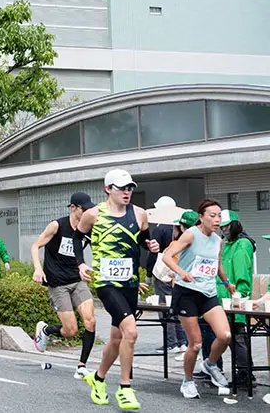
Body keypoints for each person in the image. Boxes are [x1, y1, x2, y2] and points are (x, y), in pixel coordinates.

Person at [74, 169, 160, 411]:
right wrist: (80, 263)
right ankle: (125, 388)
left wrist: (152, 245)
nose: (127, 192)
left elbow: (146, 239)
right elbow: (76, 239)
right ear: (107, 189)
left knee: (116, 338)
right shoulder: (93, 215)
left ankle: (98, 379)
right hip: (106, 282)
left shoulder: (140, 214)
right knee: (130, 332)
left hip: (130, 283)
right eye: (121, 188)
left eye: (130, 188)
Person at [161, 201, 233, 398]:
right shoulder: (191, 233)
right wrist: (181, 273)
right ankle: (188, 381)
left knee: (225, 335)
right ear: (201, 217)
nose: (217, 219)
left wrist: (227, 283)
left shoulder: (218, 240)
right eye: (212, 215)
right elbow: (167, 256)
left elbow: (216, 265)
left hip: (208, 293)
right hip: (187, 293)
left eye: (219, 215)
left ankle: (209, 364)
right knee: (196, 344)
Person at [30, 192, 98, 379]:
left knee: (90, 321)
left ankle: (82, 366)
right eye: (84, 209)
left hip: (77, 281)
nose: (87, 213)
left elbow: (100, 251)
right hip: (58, 283)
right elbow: (35, 246)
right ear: (73, 208)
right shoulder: (57, 225)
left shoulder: (88, 228)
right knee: (70, 330)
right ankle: (46, 330)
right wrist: (38, 269)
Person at [216, 209, 255, 387]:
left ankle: (245, 373)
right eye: (222, 226)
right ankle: (244, 372)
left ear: (234, 225)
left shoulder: (242, 244)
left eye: (226, 226)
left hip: (236, 296)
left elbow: (241, 271)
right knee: (233, 336)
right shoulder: (228, 243)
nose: (223, 229)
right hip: (225, 297)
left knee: (238, 336)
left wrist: (239, 294)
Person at [147, 196, 187, 356]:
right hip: (178, 273)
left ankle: (171, 343)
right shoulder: (179, 226)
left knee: (165, 306)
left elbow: (153, 253)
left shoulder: (160, 228)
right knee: (177, 307)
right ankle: (183, 341)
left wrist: (148, 274)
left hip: (164, 274)